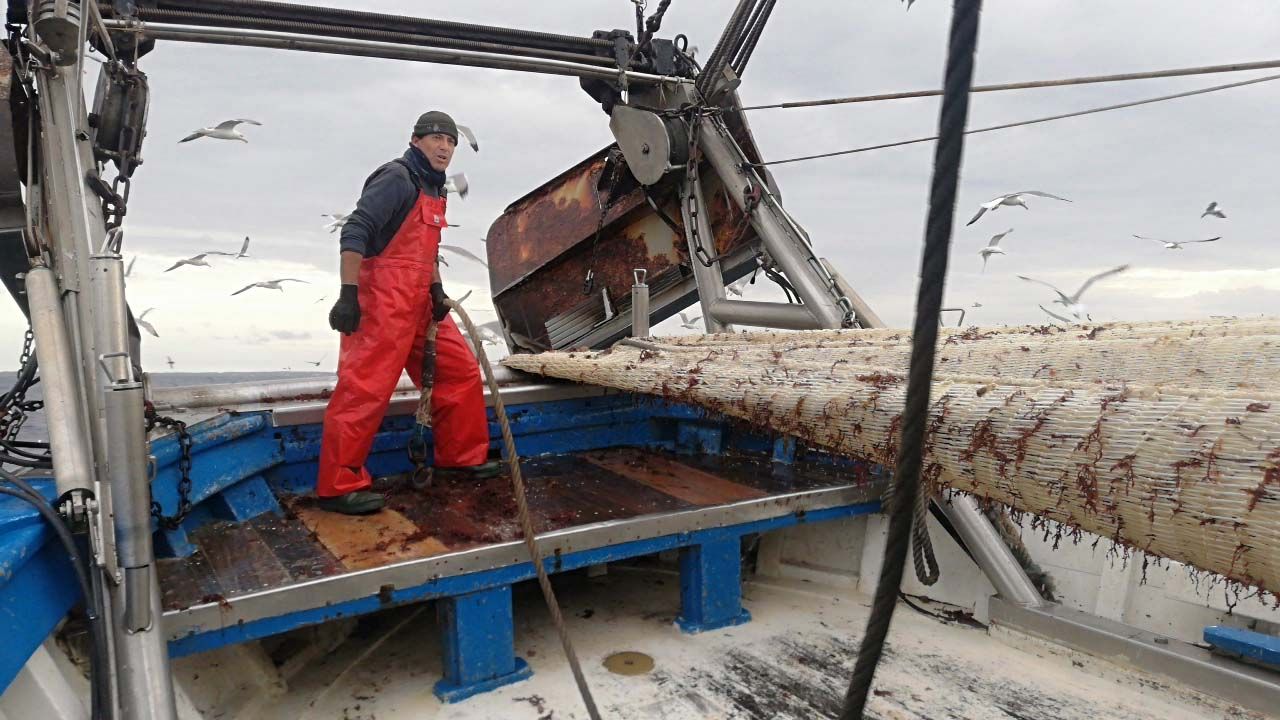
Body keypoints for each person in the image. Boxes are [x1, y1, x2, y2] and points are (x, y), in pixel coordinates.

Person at [316, 111, 498, 514]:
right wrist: (348, 295)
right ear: (416, 140)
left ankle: (460, 459)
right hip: (380, 304)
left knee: (461, 371)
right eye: (436, 138)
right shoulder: (396, 178)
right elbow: (355, 231)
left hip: (418, 304)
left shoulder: (437, 188)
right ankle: (337, 485)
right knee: (364, 390)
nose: (445, 147)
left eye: (451, 142)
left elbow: (428, 250)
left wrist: (435, 288)